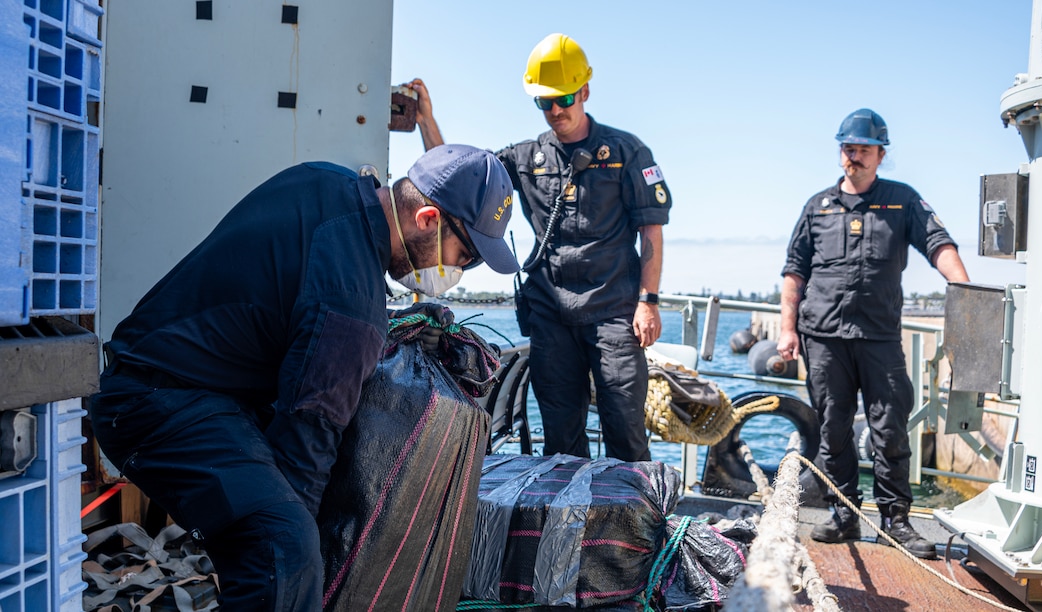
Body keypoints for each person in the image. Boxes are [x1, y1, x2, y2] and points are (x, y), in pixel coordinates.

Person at [89, 144, 519, 610]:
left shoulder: (324, 180)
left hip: (178, 379)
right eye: (467, 255)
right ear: (429, 219)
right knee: (283, 549)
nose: (458, 270)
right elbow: (303, 447)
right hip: (155, 403)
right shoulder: (353, 300)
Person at [406, 33, 671, 462]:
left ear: (584, 90)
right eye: (543, 102)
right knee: (560, 435)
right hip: (551, 312)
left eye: (563, 98)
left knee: (624, 427)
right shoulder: (525, 157)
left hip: (613, 311)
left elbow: (652, 231)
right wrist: (426, 120)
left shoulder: (627, 152)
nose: (555, 111)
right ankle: (568, 526)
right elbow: (453, 176)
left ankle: (633, 524)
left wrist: (649, 302)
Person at [776, 109, 970, 559]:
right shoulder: (817, 207)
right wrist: (787, 329)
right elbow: (793, 273)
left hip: (879, 337)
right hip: (822, 336)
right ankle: (843, 515)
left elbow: (938, 244)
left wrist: (964, 291)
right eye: (848, 149)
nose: (855, 157)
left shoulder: (902, 201)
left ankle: (896, 522)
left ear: (881, 155)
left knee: (889, 429)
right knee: (832, 429)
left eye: (864, 149)